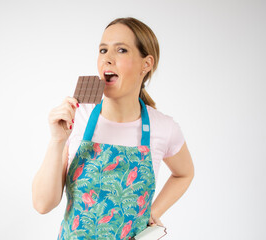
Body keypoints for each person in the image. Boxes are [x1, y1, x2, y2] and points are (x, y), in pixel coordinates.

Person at [32, 17, 194, 240]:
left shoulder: (163, 128)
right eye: (102, 50)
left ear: (146, 64)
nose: (107, 59)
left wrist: (153, 212)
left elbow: (184, 173)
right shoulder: (77, 116)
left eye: (121, 50)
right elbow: (42, 204)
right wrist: (57, 140)